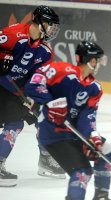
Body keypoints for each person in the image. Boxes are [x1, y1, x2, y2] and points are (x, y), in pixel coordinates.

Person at [24, 41, 111, 200]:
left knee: (108, 150)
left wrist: (92, 136)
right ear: (90, 60)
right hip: (53, 134)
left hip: (74, 134)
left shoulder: (95, 88)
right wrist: (49, 101)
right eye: (97, 60)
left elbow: (87, 117)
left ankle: (101, 195)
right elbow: (34, 82)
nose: (99, 64)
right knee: (82, 171)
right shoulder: (62, 71)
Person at [0, 5, 64, 187]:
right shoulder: (13, 34)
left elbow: (37, 80)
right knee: (14, 123)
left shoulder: (45, 51)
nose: (53, 29)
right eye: (50, 25)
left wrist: (40, 101)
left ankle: (46, 161)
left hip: (15, 89)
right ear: (39, 22)